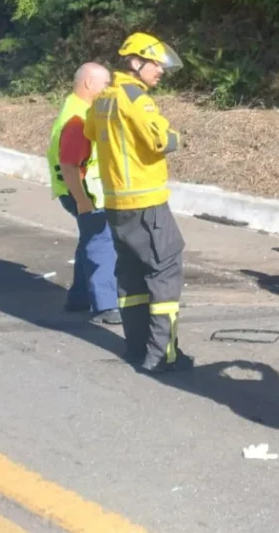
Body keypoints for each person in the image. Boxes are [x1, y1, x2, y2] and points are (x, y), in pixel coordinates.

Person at [84, 32, 189, 374]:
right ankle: (162, 355)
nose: (160, 71)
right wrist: (176, 136)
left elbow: (90, 133)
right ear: (135, 62)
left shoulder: (103, 98)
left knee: (131, 275)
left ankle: (136, 346)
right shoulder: (136, 98)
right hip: (146, 203)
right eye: (155, 65)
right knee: (164, 272)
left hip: (117, 204)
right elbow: (160, 140)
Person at [47, 62, 119, 324]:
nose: (109, 89)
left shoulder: (76, 109)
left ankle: (79, 297)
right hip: (85, 193)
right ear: (88, 83)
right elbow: (69, 165)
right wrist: (83, 201)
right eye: (106, 84)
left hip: (80, 192)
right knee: (103, 242)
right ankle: (106, 305)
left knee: (90, 239)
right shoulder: (78, 119)